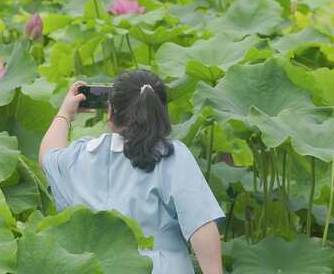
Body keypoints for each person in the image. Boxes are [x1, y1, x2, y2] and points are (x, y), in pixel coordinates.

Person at [39, 70, 225, 274]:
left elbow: (47, 157)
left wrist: (65, 114)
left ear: (110, 115)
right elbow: (201, 225)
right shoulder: (173, 155)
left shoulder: (81, 155)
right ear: (159, 112)